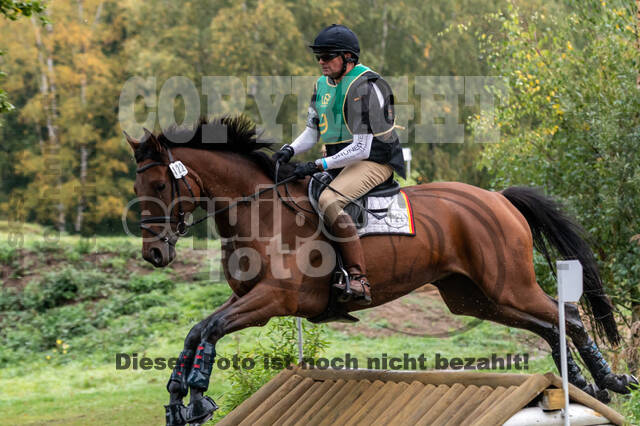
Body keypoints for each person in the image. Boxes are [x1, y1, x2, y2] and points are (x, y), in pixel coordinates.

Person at [273, 24, 405, 305]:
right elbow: (312, 132)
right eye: (318, 57)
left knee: (329, 200)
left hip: (374, 160)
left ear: (348, 58)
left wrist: (318, 164)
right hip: (341, 160)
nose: (321, 62)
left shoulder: (366, 87)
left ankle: (358, 277)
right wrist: (288, 150)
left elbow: (361, 148)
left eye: (327, 56)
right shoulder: (321, 85)